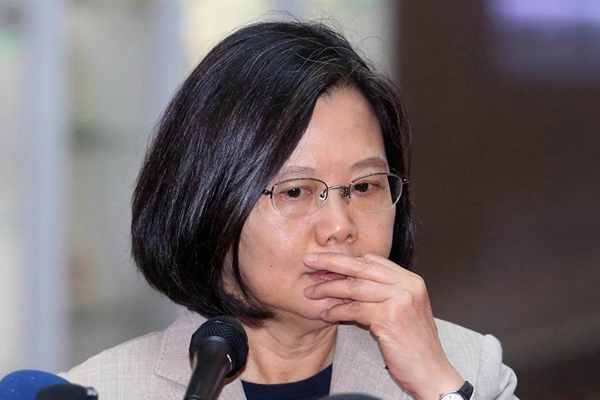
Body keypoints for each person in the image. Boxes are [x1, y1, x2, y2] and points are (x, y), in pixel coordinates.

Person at [62, 21, 518, 400]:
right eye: (296, 191)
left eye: (364, 186)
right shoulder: (105, 390)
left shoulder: (467, 369)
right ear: (207, 201)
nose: (339, 226)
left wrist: (439, 387)